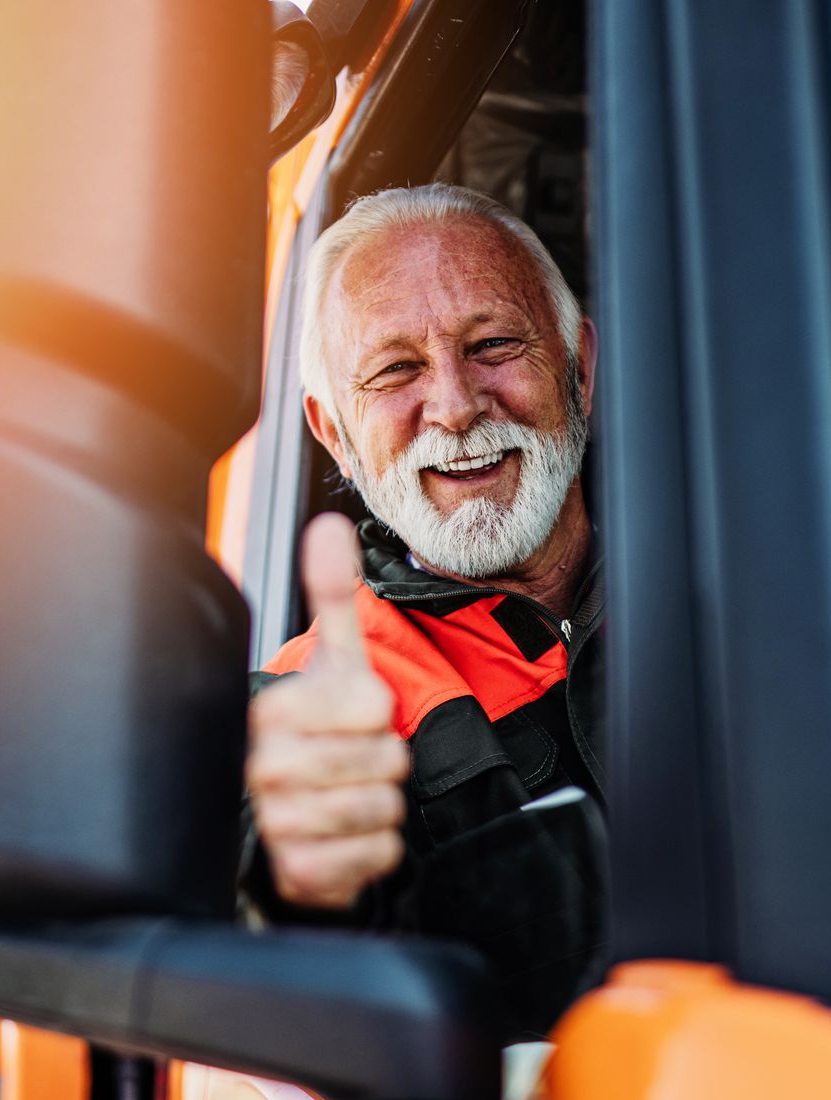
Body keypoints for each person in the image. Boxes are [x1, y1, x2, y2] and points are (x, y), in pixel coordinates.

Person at [239, 183, 605, 1036]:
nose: (454, 404)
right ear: (333, 433)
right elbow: (273, 929)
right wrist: (305, 881)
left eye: (494, 344)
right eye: (395, 369)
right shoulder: (306, 708)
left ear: (579, 368)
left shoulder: (760, 589)